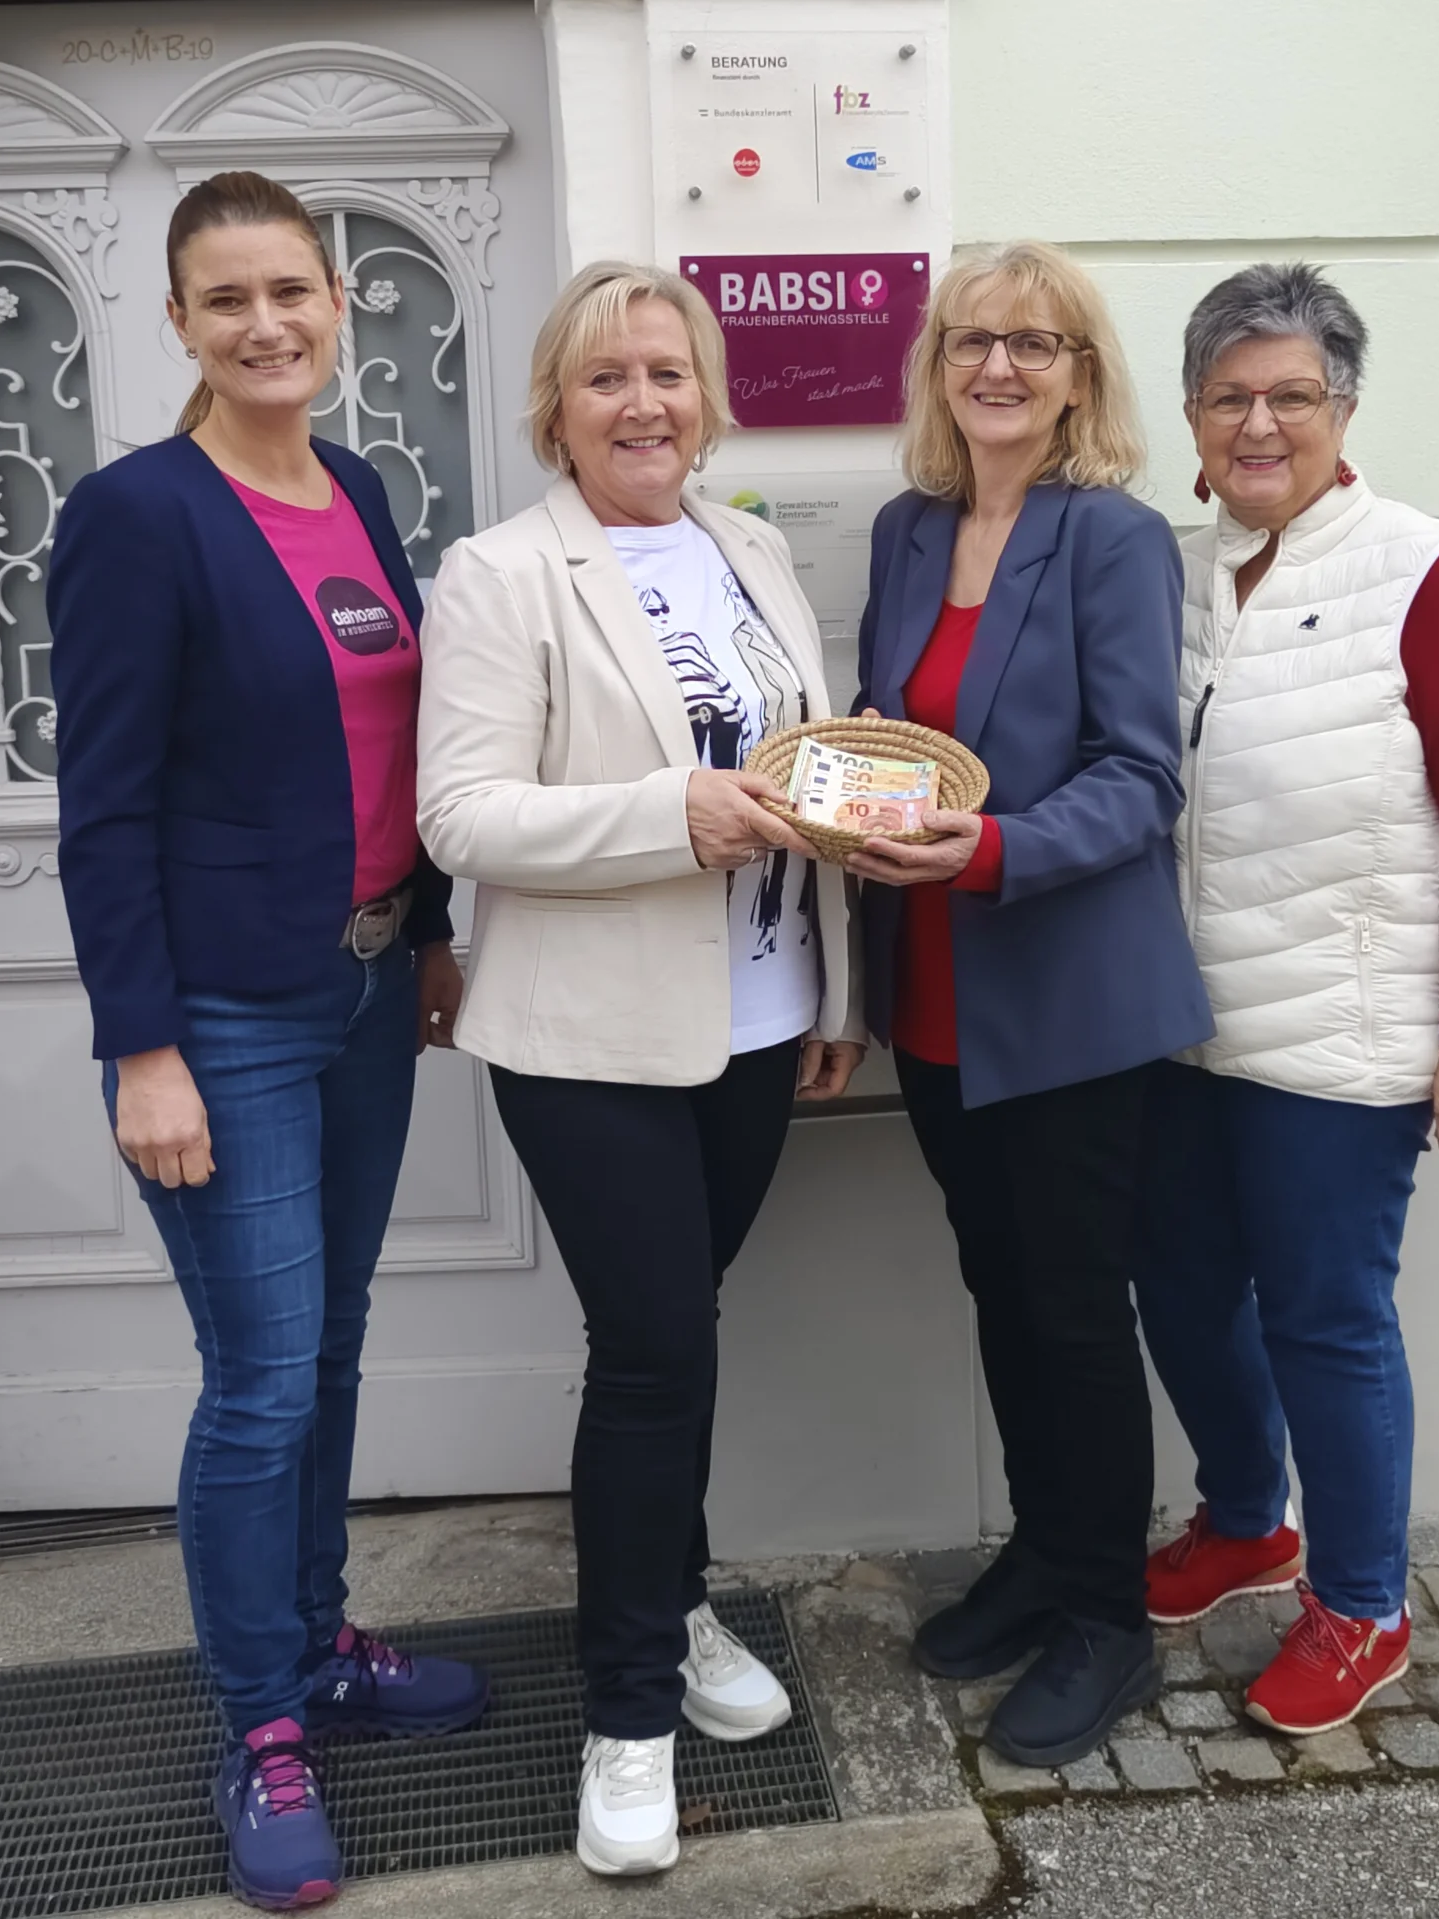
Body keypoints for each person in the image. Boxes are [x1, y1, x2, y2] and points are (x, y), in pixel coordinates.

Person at [47, 171, 488, 1912]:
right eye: (226, 299)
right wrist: (143, 1046)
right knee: (260, 1377)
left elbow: (393, 744)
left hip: (367, 989)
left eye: (291, 290)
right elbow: (105, 809)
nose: (266, 324)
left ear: (337, 301)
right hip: (224, 1014)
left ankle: (317, 1642)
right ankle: (262, 1725)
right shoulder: (139, 514)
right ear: (179, 322)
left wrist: (428, 931)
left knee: (334, 1348)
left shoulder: (356, 489)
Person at [414, 260, 864, 1878]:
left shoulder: (749, 547)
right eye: (607, 376)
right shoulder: (500, 573)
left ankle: (672, 1608)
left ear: (708, 396)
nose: (644, 402)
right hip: (588, 1039)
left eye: (668, 372)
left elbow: (810, 769)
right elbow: (461, 816)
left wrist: (834, 976)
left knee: (683, 1330)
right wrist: (668, 812)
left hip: (753, 1016)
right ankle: (626, 1716)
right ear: (557, 407)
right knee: (655, 1350)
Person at [1136, 264, 1439, 1736]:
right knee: (1180, 1292)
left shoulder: (1421, 569)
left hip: (1342, 1035)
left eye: (1292, 395)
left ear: (1343, 409)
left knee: (1326, 1319)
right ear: (1193, 415)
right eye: (1230, 395)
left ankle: (1363, 1603)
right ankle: (1250, 1520)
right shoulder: (1174, 572)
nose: (1260, 423)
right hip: (1183, 1030)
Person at [850, 242, 1213, 1768]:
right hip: (937, 990)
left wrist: (992, 849)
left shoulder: (1115, 539)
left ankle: (1107, 1619)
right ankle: (1048, 1554)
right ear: (938, 365)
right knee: (1000, 1287)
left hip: (1064, 996)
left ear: (1080, 377)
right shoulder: (909, 529)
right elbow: (889, 734)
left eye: (1034, 344)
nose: (997, 367)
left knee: (1072, 1308)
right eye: (971, 340)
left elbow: (1141, 777)